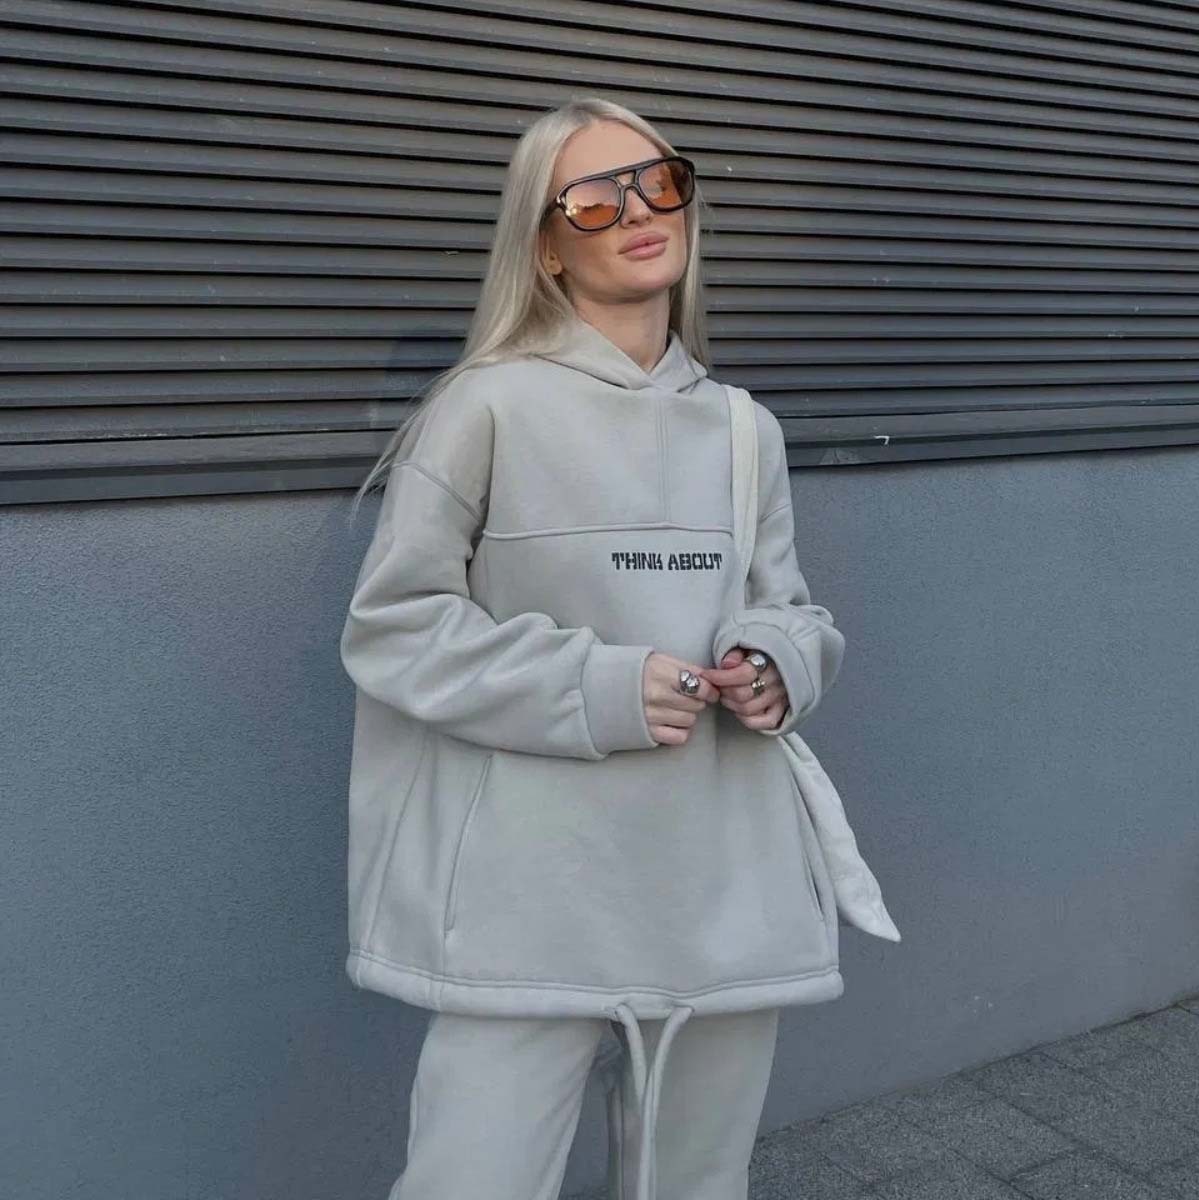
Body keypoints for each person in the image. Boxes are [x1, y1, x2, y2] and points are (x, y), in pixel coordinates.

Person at [339, 96, 847, 1200]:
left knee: (696, 1181)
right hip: (534, 882)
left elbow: (791, 605)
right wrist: (598, 686)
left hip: (717, 872)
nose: (639, 212)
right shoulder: (484, 409)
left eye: (660, 182)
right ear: (546, 246)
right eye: (595, 199)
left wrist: (776, 662)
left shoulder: (743, 428)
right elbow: (395, 626)